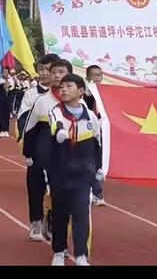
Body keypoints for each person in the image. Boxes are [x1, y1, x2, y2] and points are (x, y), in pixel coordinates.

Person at [47, 73, 102, 266]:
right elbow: (56, 123)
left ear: (81, 91)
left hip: (82, 175)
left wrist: (99, 168)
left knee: (81, 213)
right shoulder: (56, 111)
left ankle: (81, 254)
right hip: (60, 173)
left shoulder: (91, 118)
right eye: (61, 86)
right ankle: (59, 251)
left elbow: (97, 143)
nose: (63, 89)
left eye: (68, 86)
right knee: (60, 213)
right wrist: (61, 131)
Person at [21, 58, 72, 242]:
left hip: (67, 156)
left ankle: (53, 221)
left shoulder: (77, 102)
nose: (57, 76)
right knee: (36, 189)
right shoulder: (40, 100)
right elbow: (27, 127)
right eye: (54, 72)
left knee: (61, 193)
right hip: (41, 154)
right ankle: (36, 220)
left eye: (61, 72)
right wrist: (28, 152)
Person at [16, 54, 60, 141]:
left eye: (48, 69)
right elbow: (22, 119)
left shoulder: (65, 92)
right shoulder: (30, 94)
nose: (43, 73)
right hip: (38, 142)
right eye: (41, 69)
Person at [84, 65, 105, 207]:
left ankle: (95, 189)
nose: (96, 78)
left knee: (98, 162)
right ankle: (96, 192)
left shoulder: (105, 93)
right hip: (87, 132)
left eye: (99, 75)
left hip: (101, 131)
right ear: (88, 77)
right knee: (89, 162)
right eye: (94, 75)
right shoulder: (85, 94)